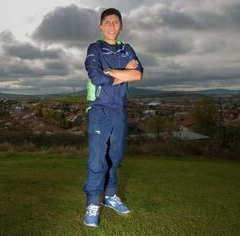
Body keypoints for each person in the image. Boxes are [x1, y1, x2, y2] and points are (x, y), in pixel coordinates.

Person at [83, 8, 144, 227]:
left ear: (121, 26)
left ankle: (109, 196)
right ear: (101, 26)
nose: (111, 25)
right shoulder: (95, 48)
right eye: (107, 22)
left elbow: (138, 74)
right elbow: (97, 77)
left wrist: (111, 71)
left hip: (119, 110)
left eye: (115, 22)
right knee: (97, 158)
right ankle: (92, 203)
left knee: (115, 156)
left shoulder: (127, 49)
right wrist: (121, 74)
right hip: (99, 109)